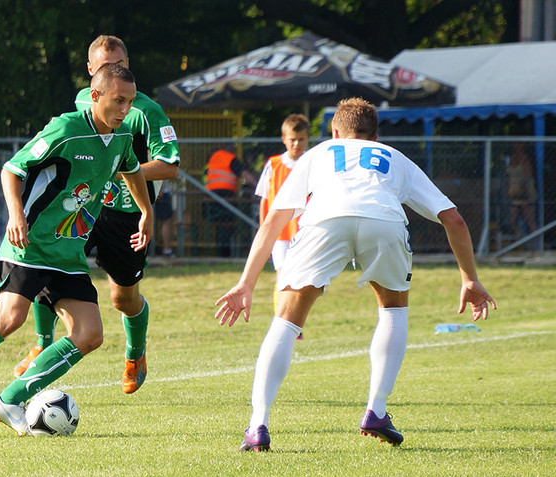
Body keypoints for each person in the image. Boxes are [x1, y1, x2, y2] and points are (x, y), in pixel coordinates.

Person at [215, 97, 496, 451]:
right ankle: (376, 410)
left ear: (335, 132)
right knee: (393, 311)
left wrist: (246, 283)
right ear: (376, 137)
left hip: (325, 221)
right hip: (384, 220)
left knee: (286, 322)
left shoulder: (318, 153)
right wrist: (469, 278)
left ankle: (258, 426)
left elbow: (274, 219)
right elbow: (453, 218)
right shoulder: (395, 158)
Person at [0, 64, 153, 435]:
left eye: (130, 101)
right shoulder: (65, 129)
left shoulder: (122, 137)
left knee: (90, 334)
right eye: (118, 100)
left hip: (68, 255)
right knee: (10, 318)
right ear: (96, 96)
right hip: (29, 244)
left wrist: (146, 211)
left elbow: (132, 170)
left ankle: (10, 398)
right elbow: (12, 169)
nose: (126, 109)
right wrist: (15, 216)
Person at [13, 35, 180, 395]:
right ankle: (44, 342)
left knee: (123, 299)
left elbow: (169, 167)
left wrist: (118, 170)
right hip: (84, 207)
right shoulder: (82, 103)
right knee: (49, 266)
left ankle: (136, 351)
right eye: (103, 68)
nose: (112, 73)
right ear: (92, 73)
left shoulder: (146, 110)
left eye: (119, 65)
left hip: (125, 216)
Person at [254, 114, 310, 332]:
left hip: (304, 231)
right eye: (293, 139)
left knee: (301, 280)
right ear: (284, 139)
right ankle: (282, 324)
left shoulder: (310, 163)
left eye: (301, 140)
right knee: (283, 276)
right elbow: (265, 199)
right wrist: (264, 232)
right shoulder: (274, 164)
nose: (296, 144)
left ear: (307, 140)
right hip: (280, 234)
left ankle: (294, 324)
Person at [203, 147, 256, 257]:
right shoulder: (231, 158)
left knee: (220, 227)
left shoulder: (214, 156)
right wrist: (257, 186)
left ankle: (221, 253)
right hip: (226, 196)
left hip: (211, 198)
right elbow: (244, 174)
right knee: (227, 226)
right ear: (232, 150)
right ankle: (226, 254)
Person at [506, 142, 538, 237]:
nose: (516, 146)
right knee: (511, 221)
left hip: (525, 195)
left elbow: (528, 179)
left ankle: (539, 245)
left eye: (519, 144)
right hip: (514, 195)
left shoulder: (525, 160)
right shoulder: (511, 158)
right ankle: (516, 241)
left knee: (529, 221)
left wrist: (528, 196)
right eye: (515, 144)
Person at [155, 180, 175, 257]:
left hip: (156, 193)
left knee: (166, 222)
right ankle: (167, 249)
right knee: (166, 222)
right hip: (161, 194)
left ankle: (166, 249)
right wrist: (160, 191)